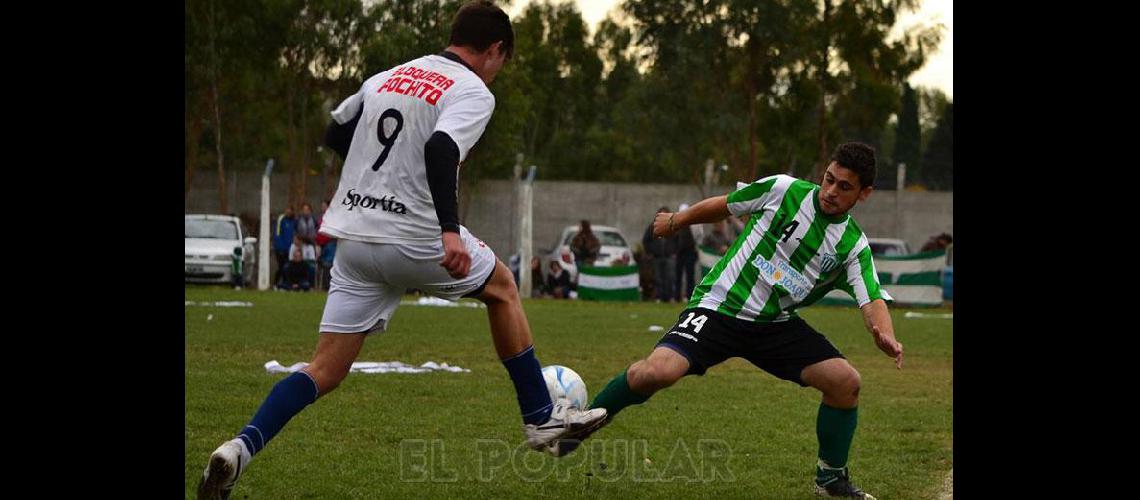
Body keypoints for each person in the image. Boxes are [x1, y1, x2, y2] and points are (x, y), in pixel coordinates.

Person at [196, 3, 606, 498]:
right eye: (504, 60)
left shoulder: (387, 76)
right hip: (416, 237)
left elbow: (335, 130)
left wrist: (370, 181)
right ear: (495, 49)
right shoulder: (472, 89)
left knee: (323, 368)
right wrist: (450, 232)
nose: (499, 70)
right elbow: (440, 149)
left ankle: (239, 449)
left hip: (355, 238)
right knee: (503, 288)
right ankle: (541, 417)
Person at [557, 143, 904, 499]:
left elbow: (872, 297)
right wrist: (677, 220)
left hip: (774, 324)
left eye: (844, 187)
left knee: (846, 383)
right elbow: (724, 205)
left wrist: (885, 335)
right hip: (719, 306)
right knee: (655, 373)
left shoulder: (852, 245)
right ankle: (583, 421)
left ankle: (831, 480)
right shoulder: (784, 189)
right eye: (829, 180)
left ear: (864, 194)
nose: (831, 191)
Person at [642, 207, 679, 302]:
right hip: (657, 257)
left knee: (670, 278)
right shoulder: (652, 227)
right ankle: (659, 297)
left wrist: (674, 252)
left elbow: (678, 240)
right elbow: (646, 241)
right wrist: (650, 252)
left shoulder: (673, 227)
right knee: (658, 278)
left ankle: (670, 297)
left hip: (669, 257)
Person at [272, 206, 296, 286]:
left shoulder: (294, 221)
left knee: (287, 267)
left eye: (290, 211)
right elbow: (277, 234)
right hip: (281, 249)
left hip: (289, 249)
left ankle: (284, 284)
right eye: (287, 210)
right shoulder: (281, 219)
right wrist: (279, 247)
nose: (288, 212)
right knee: (281, 266)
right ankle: (276, 283)